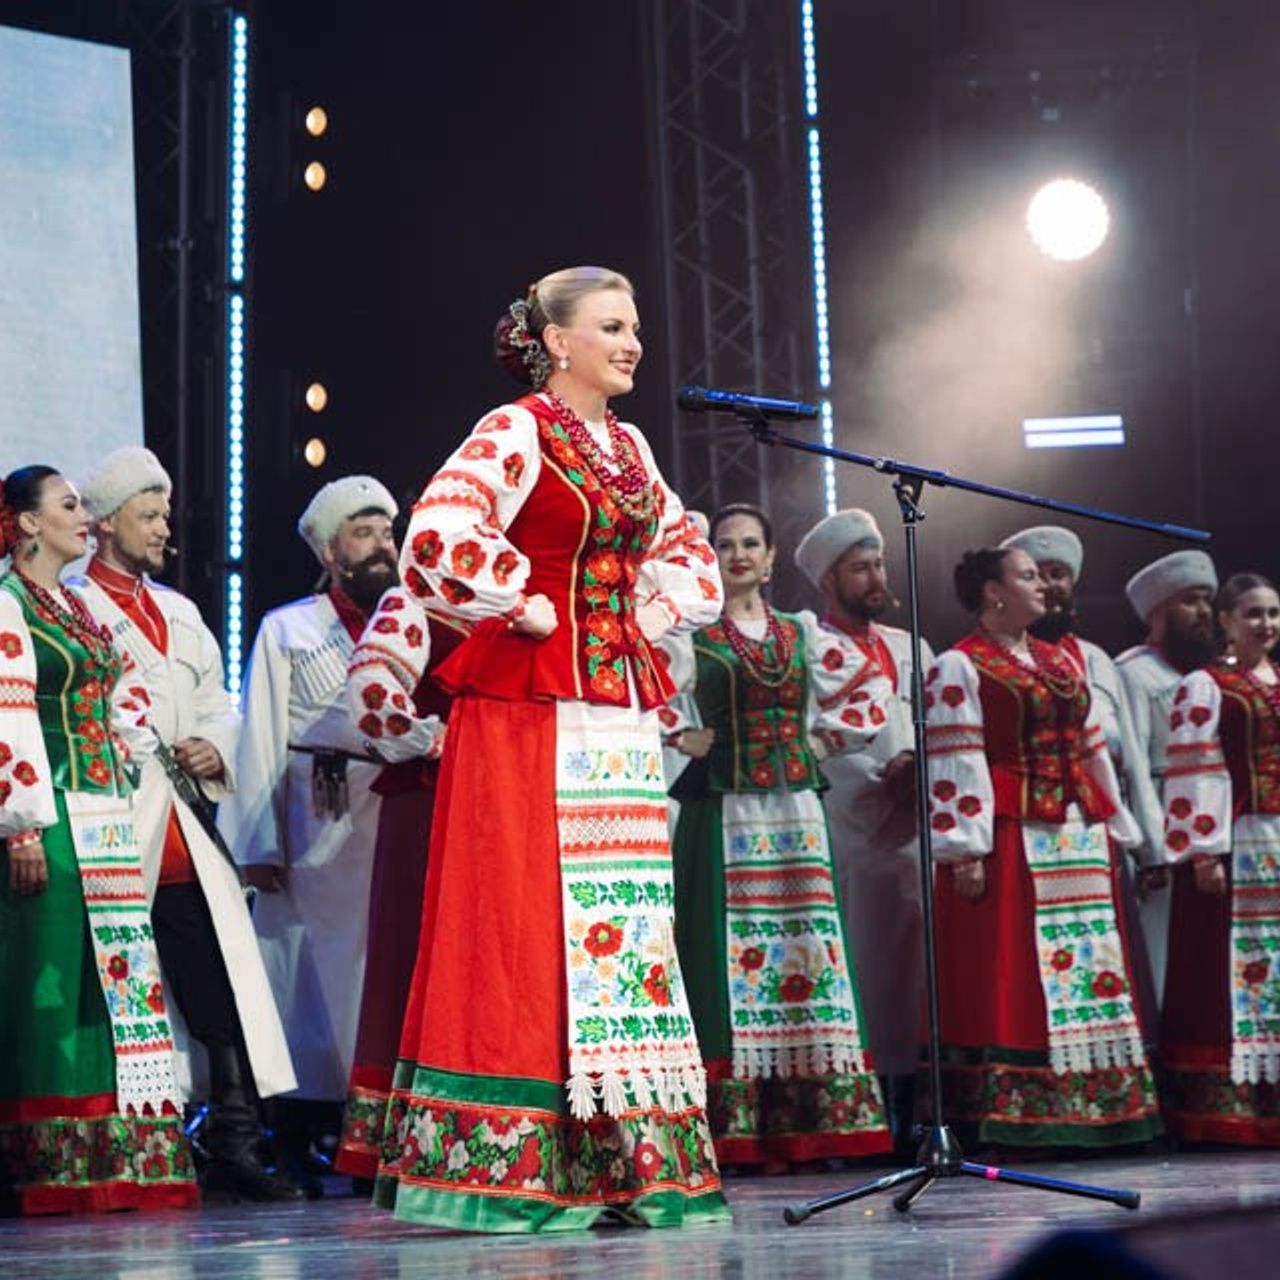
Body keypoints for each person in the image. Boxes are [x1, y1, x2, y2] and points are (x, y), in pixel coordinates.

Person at [374, 265, 729, 1232]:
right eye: (610, 326)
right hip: (530, 710)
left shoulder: (631, 447)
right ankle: (526, 1161)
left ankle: (627, 1157)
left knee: (625, 925)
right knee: (532, 913)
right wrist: (516, 596)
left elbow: (689, 556)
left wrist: (653, 609)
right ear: (558, 342)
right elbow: (436, 535)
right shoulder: (515, 429)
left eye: (634, 327)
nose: (631, 343)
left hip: (617, 712)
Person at [71, 447, 300, 1201]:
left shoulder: (179, 612)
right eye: (148, 515)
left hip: (183, 831)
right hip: (112, 825)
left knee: (218, 988)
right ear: (106, 525)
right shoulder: (71, 608)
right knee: (112, 993)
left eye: (165, 513)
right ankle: (123, 1147)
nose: (164, 528)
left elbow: (217, 706)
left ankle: (233, 1145)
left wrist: (213, 744)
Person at [664, 503, 892, 1169]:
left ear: (769, 560)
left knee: (806, 948)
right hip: (724, 811)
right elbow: (635, 690)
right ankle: (737, 1128)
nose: (737, 554)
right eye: (725, 544)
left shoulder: (802, 631)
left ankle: (813, 1125)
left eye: (750, 544)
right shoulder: (690, 635)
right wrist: (679, 734)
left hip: (796, 815)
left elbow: (872, 684)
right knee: (726, 954)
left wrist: (823, 741)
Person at [0, 465, 197, 1214]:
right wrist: (21, 823)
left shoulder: (75, 606)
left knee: (112, 982)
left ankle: (118, 1156)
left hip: (101, 814)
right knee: (50, 982)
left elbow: (120, 692)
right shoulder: (10, 603)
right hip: (47, 815)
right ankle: (48, 1160)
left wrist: (128, 749)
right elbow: (9, 716)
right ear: (27, 523)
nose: (84, 517)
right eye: (69, 505)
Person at [923, 546, 1161, 1149]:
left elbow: (1090, 746)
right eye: (1028, 577)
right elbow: (956, 759)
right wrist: (964, 850)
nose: (1043, 587)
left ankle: (1102, 1105)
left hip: (1077, 833)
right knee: (1023, 969)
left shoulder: (1061, 660)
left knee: (1089, 961)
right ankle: (1028, 1112)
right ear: (993, 592)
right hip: (1013, 832)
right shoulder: (960, 665)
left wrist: (1117, 823)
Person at [219, 475, 401, 1192]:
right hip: (314, 817)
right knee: (307, 983)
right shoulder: (288, 628)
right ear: (331, 551)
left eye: (387, 532)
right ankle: (301, 1132)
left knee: (380, 973)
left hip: (390, 811)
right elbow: (260, 736)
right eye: (364, 533)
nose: (382, 546)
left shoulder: (410, 625)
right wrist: (258, 843)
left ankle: (379, 1132)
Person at [794, 507, 931, 1155]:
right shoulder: (809, 645)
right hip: (855, 827)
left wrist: (920, 772)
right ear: (829, 580)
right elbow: (813, 737)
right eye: (859, 568)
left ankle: (918, 1108)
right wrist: (881, 781)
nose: (875, 578)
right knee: (868, 972)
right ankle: (872, 1116)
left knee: (919, 976)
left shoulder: (912, 646)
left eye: (878, 564)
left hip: (918, 828)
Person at [999, 525, 1164, 1036]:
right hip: (1033, 829)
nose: (1049, 586)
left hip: (1103, 833)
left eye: (1059, 575)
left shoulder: (1096, 660)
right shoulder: (992, 662)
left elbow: (1132, 759)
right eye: (1037, 575)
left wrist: (1151, 849)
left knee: (1111, 961)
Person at [333, 588, 460, 1184]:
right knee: (414, 957)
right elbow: (371, 692)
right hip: (430, 801)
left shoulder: (531, 601)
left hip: (504, 802)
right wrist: (439, 740)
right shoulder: (417, 603)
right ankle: (406, 1140)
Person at [1159, 572, 1280, 1145]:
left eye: (1273, 613)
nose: (1266, 624)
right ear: (1227, 620)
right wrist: (1203, 851)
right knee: (1231, 966)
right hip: (1238, 839)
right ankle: (1231, 1104)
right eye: (1254, 613)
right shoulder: (1205, 686)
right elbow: (1195, 766)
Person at [1116, 549, 1220, 1010]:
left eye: (1206, 600)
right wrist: (1153, 849)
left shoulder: (1212, 675)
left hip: (1213, 829)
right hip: (1163, 821)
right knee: (1160, 947)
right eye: (1190, 601)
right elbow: (1134, 763)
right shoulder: (1134, 672)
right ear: (1158, 610)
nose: (1204, 611)